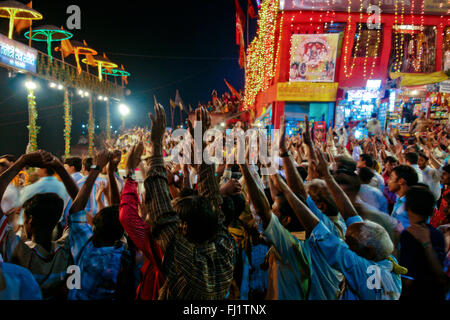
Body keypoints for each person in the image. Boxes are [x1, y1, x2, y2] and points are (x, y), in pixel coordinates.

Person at [272, 149, 404, 299]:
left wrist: (286, 191)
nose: (345, 242)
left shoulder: (364, 270)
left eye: (351, 243)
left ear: (369, 251)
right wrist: (327, 176)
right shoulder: (385, 260)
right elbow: (351, 215)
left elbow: (322, 233)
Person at [144, 105, 235, 299]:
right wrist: (199, 142)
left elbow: (160, 210)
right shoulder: (224, 246)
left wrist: (156, 143)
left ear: (183, 228)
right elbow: (211, 194)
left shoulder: (185, 258)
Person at [0, 151, 78, 299]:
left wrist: (22, 161)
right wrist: (59, 167)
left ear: (29, 220)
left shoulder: (18, 251)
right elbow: (79, 205)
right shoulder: (66, 251)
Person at [67, 150, 133, 300]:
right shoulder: (126, 254)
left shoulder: (86, 249)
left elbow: (76, 210)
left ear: (94, 228)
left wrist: (97, 169)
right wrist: (109, 172)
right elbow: (118, 215)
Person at [399, 186, 448, 300]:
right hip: (434, 293)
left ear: (407, 207)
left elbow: (406, 275)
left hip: (416, 293)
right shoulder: (437, 233)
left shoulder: (409, 234)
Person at [388, 165, 419, 231]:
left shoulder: (411, 205)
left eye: (391, 178)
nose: (388, 181)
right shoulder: (399, 199)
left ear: (401, 181)